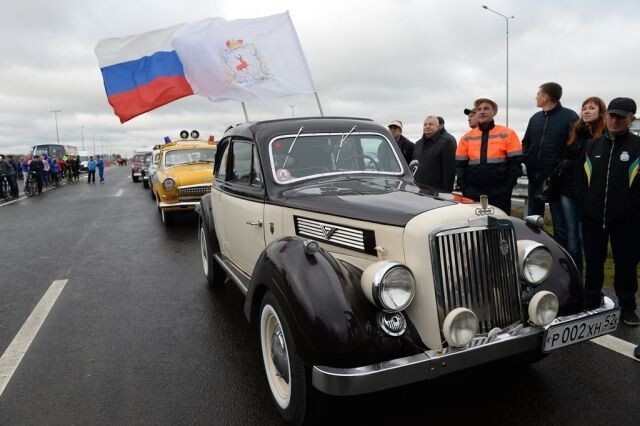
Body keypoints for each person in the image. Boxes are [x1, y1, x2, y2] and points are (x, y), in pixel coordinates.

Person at [578, 97, 640, 326]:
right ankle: (591, 301)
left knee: (626, 265)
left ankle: (627, 307)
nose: (614, 120)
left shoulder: (637, 146)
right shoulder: (592, 145)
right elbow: (582, 181)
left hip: (628, 221)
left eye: (620, 117)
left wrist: (632, 211)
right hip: (593, 218)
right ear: (606, 116)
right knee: (593, 262)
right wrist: (584, 206)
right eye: (611, 115)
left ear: (631, 119)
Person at [522, 82, 579, 249]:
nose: (536, 97)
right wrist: (527, 158)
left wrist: (560, 165)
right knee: (533, 221)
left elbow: (575, 147)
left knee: (560, 225)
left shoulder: (570, 117)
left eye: (538, 94)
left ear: (546, 96)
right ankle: (535, 256)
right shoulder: (535, 118)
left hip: (557, 181)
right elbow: (526, 143)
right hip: (535, 178)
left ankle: (560, 260)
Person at [560, 97, 607, 273]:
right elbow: (566, 156)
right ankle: (577, 276)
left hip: (591, 195)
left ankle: (592, 278)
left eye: (591, 108)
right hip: (569, 191)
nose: (586, 111)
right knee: (572, 236)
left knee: (587, 236)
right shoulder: (576, 133)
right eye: (584, 108)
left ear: (601, 112)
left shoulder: (604, 136)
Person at [456, 98, 522, 214]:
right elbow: (460, 167)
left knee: (500, 227)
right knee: (474, 227)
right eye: (479, 109)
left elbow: (515, 164)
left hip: (500, 193)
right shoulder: (466, 137)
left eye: (486, 108)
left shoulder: (508, 134)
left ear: (494, 112)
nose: (482, 111)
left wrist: (507, 188)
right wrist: (465, 189)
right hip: (473, 193)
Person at [412, 115, 457, 192]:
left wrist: (447, 193)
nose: (427, 126)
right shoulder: (417, 144)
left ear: (438, 126)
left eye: (431, 124)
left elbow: (449, 171)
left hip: (437, 191)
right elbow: (413, 167)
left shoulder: (446, 143)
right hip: (418, 190)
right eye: (425, 124)